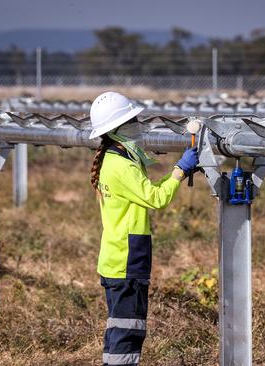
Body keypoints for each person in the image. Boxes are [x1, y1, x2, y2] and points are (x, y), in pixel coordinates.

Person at [89, 92, 199, 366]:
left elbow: (145, 192)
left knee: (120, 327)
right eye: (132, 120)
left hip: (117, 258)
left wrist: (176, 171)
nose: (138, 124)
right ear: (117, 129)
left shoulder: (116, 159)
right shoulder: (121, 166)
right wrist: (180, 171)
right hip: (127, 259)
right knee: (128, 330)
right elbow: (156, 198)